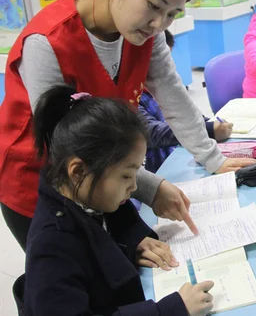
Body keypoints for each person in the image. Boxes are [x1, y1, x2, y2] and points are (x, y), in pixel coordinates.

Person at [0, 0, 255, 250]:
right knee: (75, 280)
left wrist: (214, 161)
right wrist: (147, 185)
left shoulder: (147, 32)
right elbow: (64, 147)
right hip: (42, 181)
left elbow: (173, 96)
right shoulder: (47, 42)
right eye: (153, 5)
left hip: (104, 174)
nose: (158, 23)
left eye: (172, 14)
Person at [24, 86, 214, 316]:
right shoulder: (52, 245)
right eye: (126, 176)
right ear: (79, 171)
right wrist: (169, 311)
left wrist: (133, 241)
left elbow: (116, 224)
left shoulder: (91, 197)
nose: (134, 187)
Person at [139, 30, 233, 173]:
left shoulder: (165, 84)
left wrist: (208, 122)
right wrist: (208, 129)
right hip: (159, 168)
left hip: (182, 153)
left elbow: (187, 110)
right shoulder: (133, 96)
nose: (157, 68)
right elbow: (151, 133)